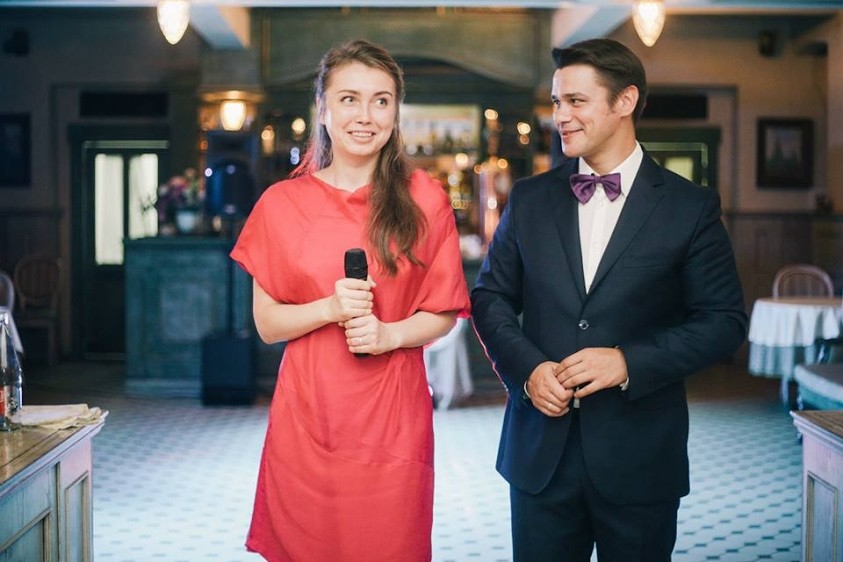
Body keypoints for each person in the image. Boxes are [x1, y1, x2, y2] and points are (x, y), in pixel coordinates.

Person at [470, 38, 747, 562]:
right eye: (557, 102)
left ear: (625, 101)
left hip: (641, 455)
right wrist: (528, 372)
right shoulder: (528, 199)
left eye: (576, 101)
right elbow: (490, 299)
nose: (560, 116)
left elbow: (723, 322)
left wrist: (627, 363)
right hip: (540, 456)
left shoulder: (689, 207)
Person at [230, 39, 470, 562]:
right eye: (349, 99)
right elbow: (267, 324)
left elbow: (444, 311)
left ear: (395, 113)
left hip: (392, 421)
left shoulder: (424, 199)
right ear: (322, 108)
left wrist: (389, 334)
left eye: (381, 101)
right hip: (307, 419)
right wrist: (330, 308)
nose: (366, 115)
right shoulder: (281, 204)